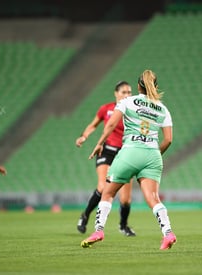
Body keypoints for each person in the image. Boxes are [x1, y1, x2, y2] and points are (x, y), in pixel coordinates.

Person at [81, 69, 176, 250]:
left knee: (108, 193)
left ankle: (99, 230)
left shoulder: (128, 101)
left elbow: (111, 124)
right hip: (152, 155)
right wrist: (154, 155)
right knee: (153, 198)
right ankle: (168, 233)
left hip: (130, 151)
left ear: (138, 86)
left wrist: (100, 143)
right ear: (154, 87)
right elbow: (168, 140)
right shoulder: (163, 109)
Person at [75, 81, 136, 236]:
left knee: (126, 199)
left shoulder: (134, 110)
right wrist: (84, 136)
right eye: (124, 92)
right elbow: (93, 125)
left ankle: (123, 226)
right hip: (107, 151)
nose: (127, 95)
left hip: (126, 154)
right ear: (116, 93)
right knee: (103, 187)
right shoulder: (106, 109)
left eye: (129, 92)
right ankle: (85, 215)